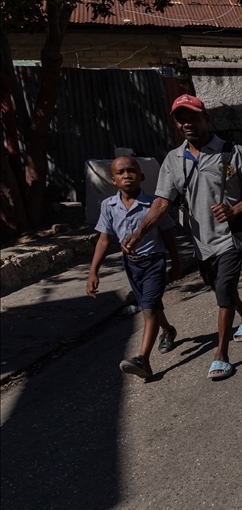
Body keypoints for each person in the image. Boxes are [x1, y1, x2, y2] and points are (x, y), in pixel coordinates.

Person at [123, 94, 242, 381]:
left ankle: (221, 356)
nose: (187, 123)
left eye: (193, 116)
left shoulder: (231, 152)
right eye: (181, 118)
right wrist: (139, 232)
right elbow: (163, 202)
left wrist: (235, 208)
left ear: (206, 119)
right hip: (202, 242)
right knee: (219, 288)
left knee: (224, 290)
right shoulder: (173, 160)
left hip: (232, 237)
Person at [87, 156, 182, 380]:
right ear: (113, 180)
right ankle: (167, 330)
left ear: (142, 177)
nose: (127, 175)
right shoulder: (109, 206)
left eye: (131, 171)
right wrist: (93, 272)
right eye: (121, 173)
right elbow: (103, 240)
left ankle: (143, 359)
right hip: (131, 265)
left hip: (154, 262)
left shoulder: (154, 205)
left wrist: (176, 264)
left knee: (148, 309)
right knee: (152, 304)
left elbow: (168, 236)